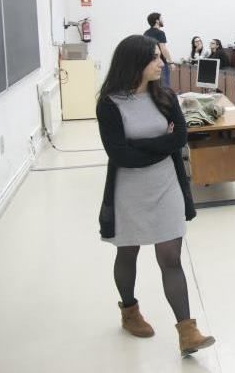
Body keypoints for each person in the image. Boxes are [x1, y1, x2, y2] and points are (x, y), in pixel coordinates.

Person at [96, 35, 215, 356]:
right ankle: (129, 311)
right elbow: (120, 155)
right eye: (154, 58)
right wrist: (158, 144)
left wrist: (143, 145)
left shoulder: (164, 96)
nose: (162, 63)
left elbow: (179, 139)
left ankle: (187, 331)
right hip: (128, 192)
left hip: (166, 187)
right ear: (134, 62)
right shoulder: (109, 103)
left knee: (170, 257)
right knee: (128, 253)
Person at [143, 13, 174, 88]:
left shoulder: (146, 33)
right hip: (161, 62)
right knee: (165, 86)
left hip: (149, 64)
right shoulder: (160, 33)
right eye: (161, 18)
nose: (163, 20)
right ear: (157, 21)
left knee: (153, 87)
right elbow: (163, 49)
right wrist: (171, 62)